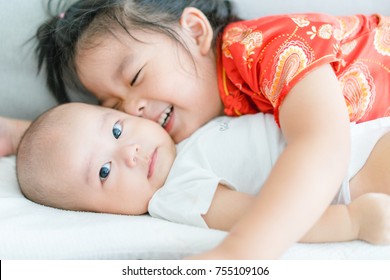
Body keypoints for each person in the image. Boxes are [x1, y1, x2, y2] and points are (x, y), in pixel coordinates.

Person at [2, 0, 390, 258]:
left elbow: (321, 146)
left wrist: (241, 251)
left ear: (196, 31)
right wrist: (28, 136)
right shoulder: (185, 138)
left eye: (135, 76)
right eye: (114, 107)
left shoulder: (263, 47)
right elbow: (86, 144)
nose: (134, 109)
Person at [17, 103, 390, 255]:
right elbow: (260, 214)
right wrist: (351, 221)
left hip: (357, 137)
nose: (129, 152)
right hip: (353, 173)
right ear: (96, 212)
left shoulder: (184, 135)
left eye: (116, 130)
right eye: (104, 171)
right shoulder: (175, 195)